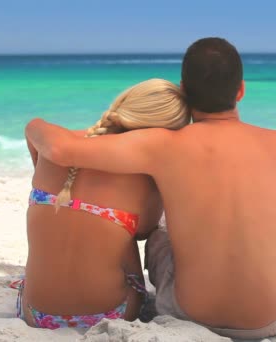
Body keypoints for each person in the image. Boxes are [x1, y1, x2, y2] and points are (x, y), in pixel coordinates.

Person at [25, 37, 276, 339]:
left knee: (164, 218)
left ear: (184, 90)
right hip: (267, 319)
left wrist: (34, 126)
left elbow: (60, 150)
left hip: (187, 314)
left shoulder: (164, 145)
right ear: (241, 90)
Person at [18, 78, 190, 329]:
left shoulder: (56, 145)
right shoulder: (145, 174)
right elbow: (144, 231)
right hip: (112, 312)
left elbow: (31, 127)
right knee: (129, 229)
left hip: (35, 312)